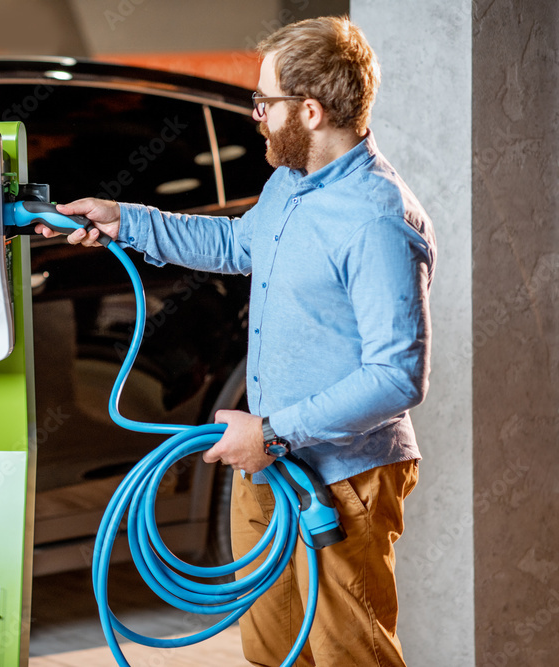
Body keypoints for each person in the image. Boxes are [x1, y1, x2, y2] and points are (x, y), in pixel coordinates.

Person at [36, 15, 435, 667]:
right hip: (269, 461)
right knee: (275, 649)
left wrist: (273, 430)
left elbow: (397, 377)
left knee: (347, 654)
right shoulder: (291, 182)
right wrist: (125, 221)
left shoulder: (377, 221)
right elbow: (235, 244)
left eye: (264, 103)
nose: (256, 115)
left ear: (308, 110)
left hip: (342, 475)